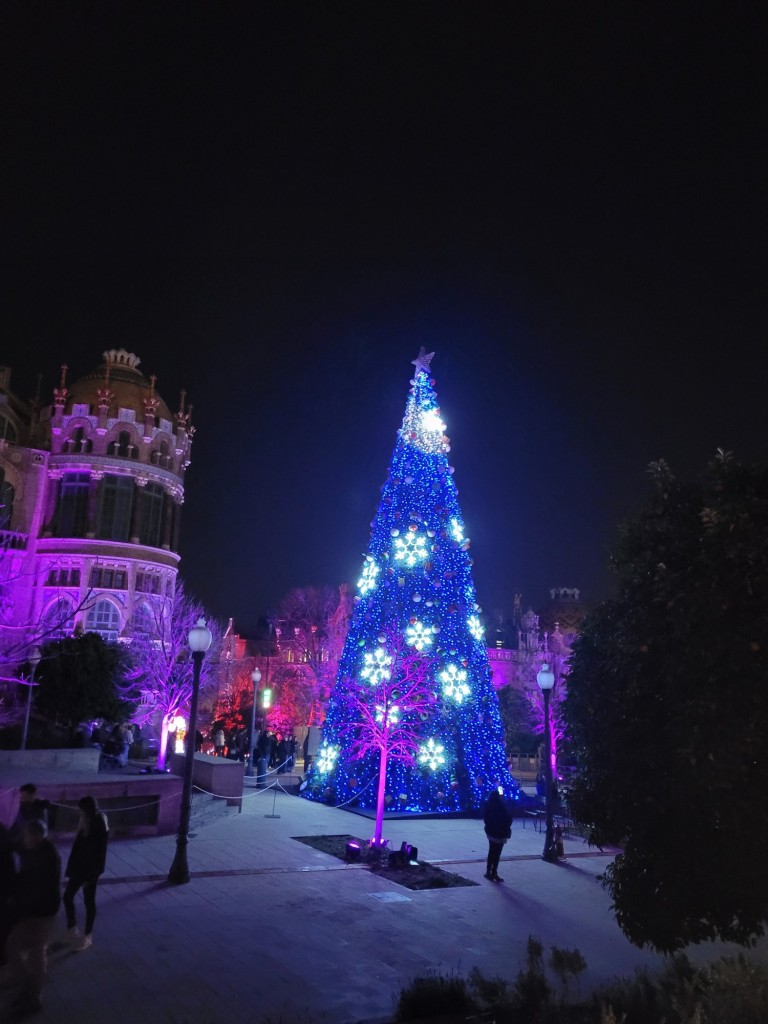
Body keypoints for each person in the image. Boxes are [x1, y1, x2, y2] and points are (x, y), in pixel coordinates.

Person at [4, 820, 62, 1015]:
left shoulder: (46, 857)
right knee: (15, 946)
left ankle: (33, 995)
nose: (25, 839)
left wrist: (16, 900)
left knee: (36, 953)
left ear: (37, 836)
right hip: (32, 911)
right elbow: (18, 847)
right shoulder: (35, 849)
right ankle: (28, 988)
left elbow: (33, 884)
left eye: (28, 835)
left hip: (41, 912)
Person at [62, 796, 109, 951]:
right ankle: (72, 929)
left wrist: (93, 875)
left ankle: (87, 935)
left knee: (89, 902)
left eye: (80, 808)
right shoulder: (85, 821)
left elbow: (100, 853)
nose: (78, 811)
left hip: (90, 871)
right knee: (68, 896)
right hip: (79, 868)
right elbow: (79, 847)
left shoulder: (98, 824)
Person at [483, 788, 512, 883]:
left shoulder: (488, 806)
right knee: (497, 853)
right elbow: (508, 819)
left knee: (492, 851)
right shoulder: (502, 807)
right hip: (500, 833)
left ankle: (489, 871)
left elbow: (486, 819)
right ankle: (494, 872)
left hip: (491, 832)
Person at [9, 784, 50, 851]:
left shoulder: (39, 808)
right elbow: (16, 824)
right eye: (21, 796)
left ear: (32, 795)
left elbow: (36, 827)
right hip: (19, 842)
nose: (22, 798)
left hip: (30, 844)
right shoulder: (23, 807)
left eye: (24, 796)